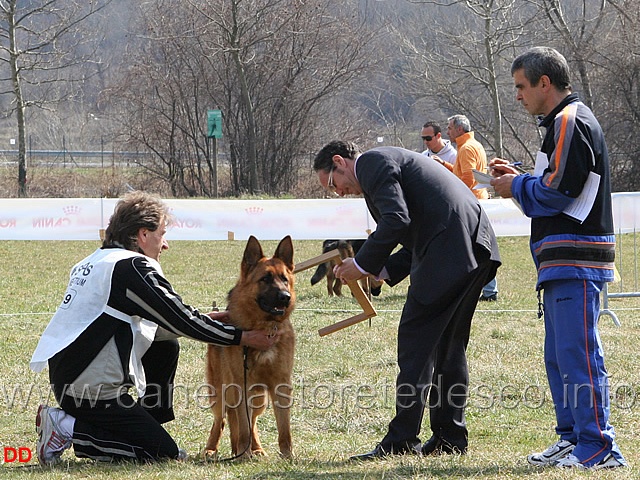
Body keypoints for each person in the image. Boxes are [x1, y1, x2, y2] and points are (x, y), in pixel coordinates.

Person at [30, 191, 280, 465]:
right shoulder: (132, 267)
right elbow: (181, 319)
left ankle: (142, 424)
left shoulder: (99, 260)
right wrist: (242, 337)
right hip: (88, 392)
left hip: (72, 377)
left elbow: (159, 321)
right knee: (163, 455)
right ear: (142, 235)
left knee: (166, 343)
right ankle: (66, 428)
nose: (166, 244)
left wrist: (206, 319)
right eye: (162, 233)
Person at [314, 141, 500, 460]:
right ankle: (449, 437)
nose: (338, 192)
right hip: (473, 246)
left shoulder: (372, 163)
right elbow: (415, 225)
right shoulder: (388, 166)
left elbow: (397, 220)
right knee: (447, 345)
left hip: (451, 249)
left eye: (333, 184)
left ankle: (401, 440)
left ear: (339, 162)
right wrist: (383, 269)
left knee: (416, 342)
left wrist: (361, 265)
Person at [490, 47, 626, 470]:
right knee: (560, 356)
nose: (517, 96)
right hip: (560, 261)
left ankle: (599, 446)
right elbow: (555, 181)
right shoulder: (561, 124)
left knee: (579, 354)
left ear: (544, 83)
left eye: (520, 87)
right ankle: (572, 439)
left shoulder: (570, 120)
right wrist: (517, 176)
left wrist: (515, 188)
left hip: (577, 261)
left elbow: (557, 192)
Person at [436, 115, 498, 301]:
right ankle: (486, 290)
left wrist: (453, 194)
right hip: (477, 201)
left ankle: (487, 290)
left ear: (459, 129)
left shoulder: (466, 148)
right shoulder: (472, 145)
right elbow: (462, 172)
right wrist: (444, 165)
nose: (447, 132)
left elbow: (468, 179)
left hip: (472, 204)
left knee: (475, 248)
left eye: (449, 128)